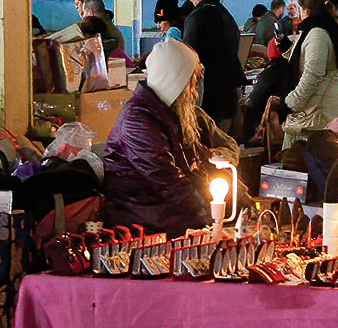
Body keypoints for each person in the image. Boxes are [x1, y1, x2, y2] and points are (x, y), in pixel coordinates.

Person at [101, 39, 242, 236]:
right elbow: (167, 180)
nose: (194, 91)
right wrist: (209, 220)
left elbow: (190, 154)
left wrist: (213, 156)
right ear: (175, 80)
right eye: (191, 83)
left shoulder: (168, 110)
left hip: (165, 207)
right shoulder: (138, 119)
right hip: (143, 216)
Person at [273, 0, 338, 149]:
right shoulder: (328, 27)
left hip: (319, 111)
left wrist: (291, 103)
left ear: (305, 10)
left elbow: (313, 75)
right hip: (325, 106)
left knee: (308, 164)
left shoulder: (317, 33)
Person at [182, 0, 246, 131]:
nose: (191, 0)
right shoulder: (228, 17)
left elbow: (187, 56)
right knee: (223, 147)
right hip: (228, 97)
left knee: (206, 148)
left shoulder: (196, 17)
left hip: (207, 98)